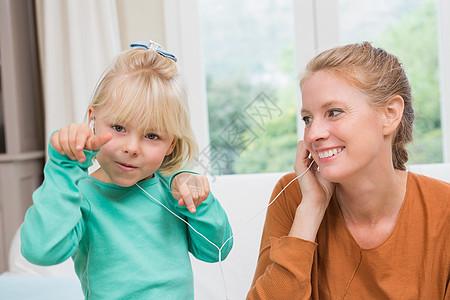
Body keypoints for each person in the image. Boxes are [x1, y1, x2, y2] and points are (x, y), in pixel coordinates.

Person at [21, 40, 233, 300]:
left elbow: (217, 251)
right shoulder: (80, 196)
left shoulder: (174, 190)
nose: (132, 148)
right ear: (93, 120)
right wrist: (63, 167)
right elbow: (41, 251)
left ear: (171, 145)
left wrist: (201, 202)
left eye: (152, 135)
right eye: (119, 128)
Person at [248, 42, 449, 299]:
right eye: (308, 118)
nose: (314, 134)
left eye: (334, 112)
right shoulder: (294, 197)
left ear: (389, 114)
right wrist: (311, 209)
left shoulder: (443, 210)